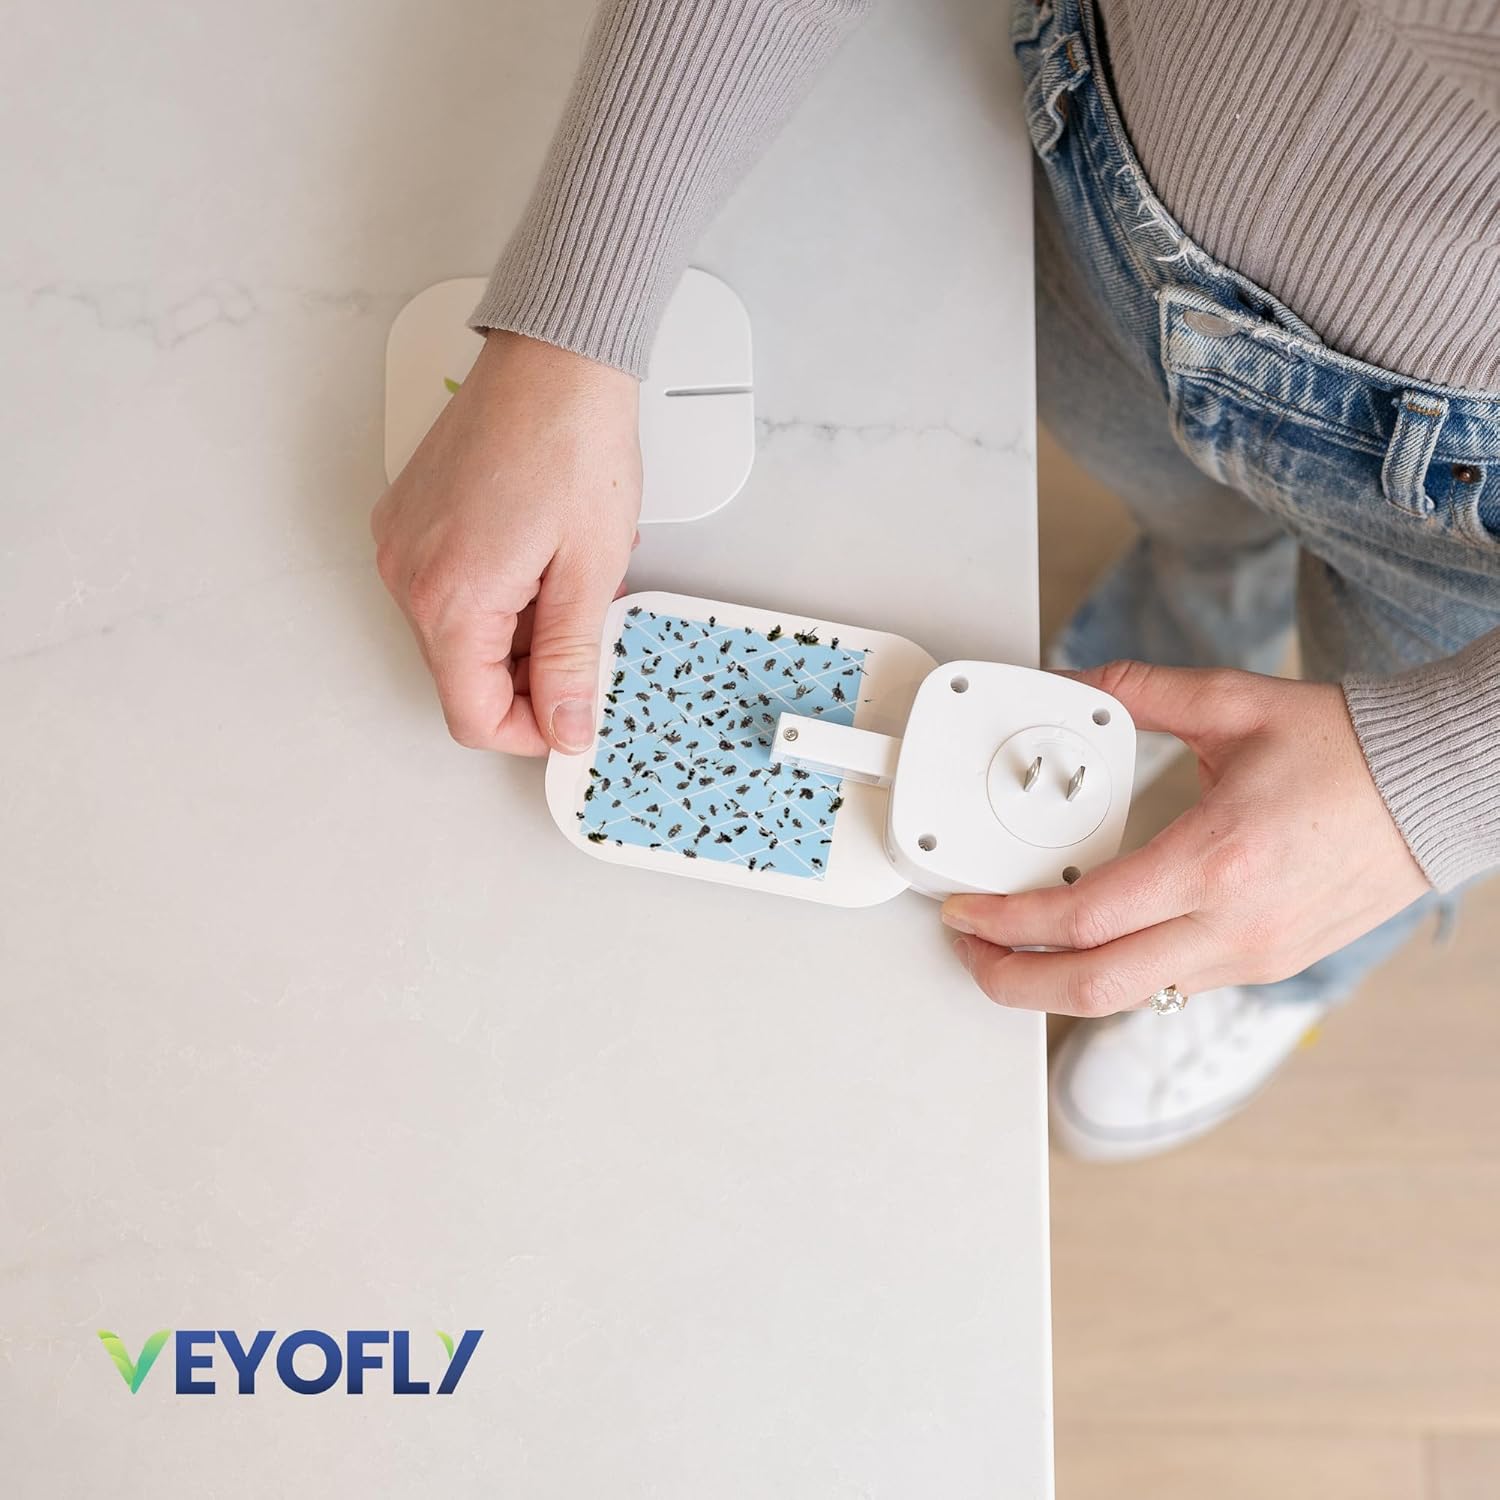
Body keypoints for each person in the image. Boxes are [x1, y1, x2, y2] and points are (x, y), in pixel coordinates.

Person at [372, 0, 1500, 1160]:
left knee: (1348, 830)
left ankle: (1289, 973)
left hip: (1469, 518)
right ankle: (1188, 634)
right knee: (1191, 532)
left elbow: (1409, 794)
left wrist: (1432, 792)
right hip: (1108, 201)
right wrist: (570, 330)